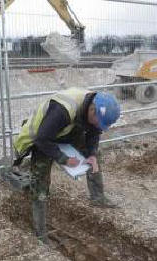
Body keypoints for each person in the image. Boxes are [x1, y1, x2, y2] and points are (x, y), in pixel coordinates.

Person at [14, 87, 121, 243]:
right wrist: (63, 159)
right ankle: (40, 232)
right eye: (99, 122)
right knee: (40, 181)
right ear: (92, 111)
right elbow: (42, 140)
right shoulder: (62, 111)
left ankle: (98, 197)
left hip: (66, 131)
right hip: (43, 137)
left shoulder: (93, 110)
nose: (99, 127)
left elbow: (93, 133)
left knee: (94, 158)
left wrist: (91, 154)